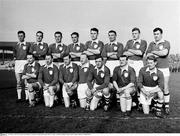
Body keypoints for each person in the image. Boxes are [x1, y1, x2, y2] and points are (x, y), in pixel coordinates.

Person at [146, 27, 171, 115]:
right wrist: (158, 52)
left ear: (161, 34)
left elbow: (164, 53)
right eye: (155, 34)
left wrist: (153, 52)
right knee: (155, 87)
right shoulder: (151, 43)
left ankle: (167, 105)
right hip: (154, 69)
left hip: (164, 68)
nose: (156, 36)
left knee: (165, 87)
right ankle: (156, 103)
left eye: (157, 34)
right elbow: (148, 55)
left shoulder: (166, 42)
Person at [123, 27, 147, 109]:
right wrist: (134, 51)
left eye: (136, 33)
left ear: (139, 34)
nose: (134, 35)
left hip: (138, 63)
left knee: (139, 81)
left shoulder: (143, 42)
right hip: (130, 63)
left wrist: (130, 50)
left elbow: (140, 53)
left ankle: (140, 101)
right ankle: (133, 101)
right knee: (130, 81)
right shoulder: (129, 42)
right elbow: (125, 53)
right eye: (133, 33)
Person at [13, 31, 31, 103]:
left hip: (25, 63)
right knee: (18, 81)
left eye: (22, 36)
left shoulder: (28, 44)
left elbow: (30, 55)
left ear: (24, 36)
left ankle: (27, 98)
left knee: (26, 82)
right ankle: (19, 98)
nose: (20, 37)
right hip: (18, 63)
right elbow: (14, 56)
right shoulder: (15, 45)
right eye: (19, 36)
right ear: (18, 36)